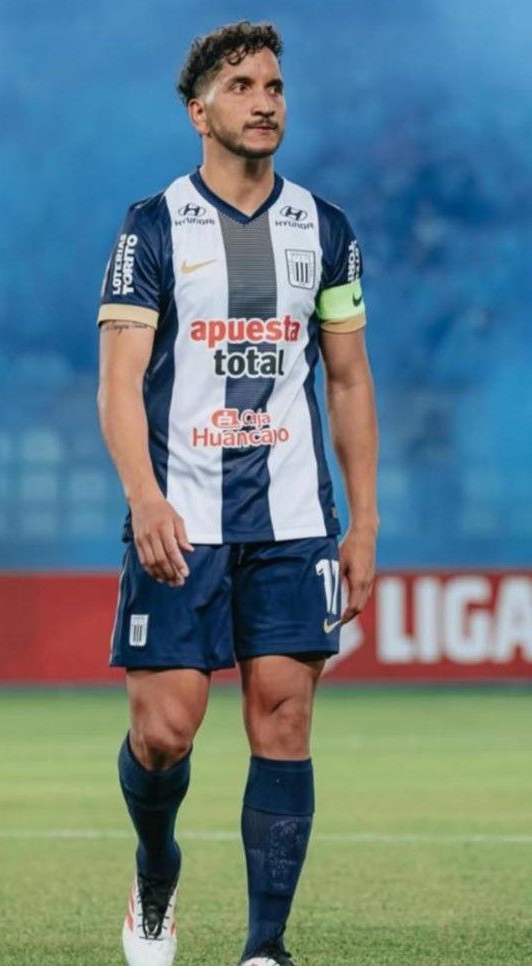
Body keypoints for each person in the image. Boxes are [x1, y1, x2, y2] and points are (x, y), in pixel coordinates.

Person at [96, 20, 378, 966]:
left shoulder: (325, 229)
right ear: (199, 110)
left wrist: (365, 516)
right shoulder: (151, 226)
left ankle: (265, 949)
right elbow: (119, 380)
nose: (265, 101)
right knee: (166, 733)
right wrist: (143, 497)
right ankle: (153, 873)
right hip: (182, 513)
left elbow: (346, 380)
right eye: (243, 85)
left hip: (294, 519)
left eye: (274, 85)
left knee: (285, 717)